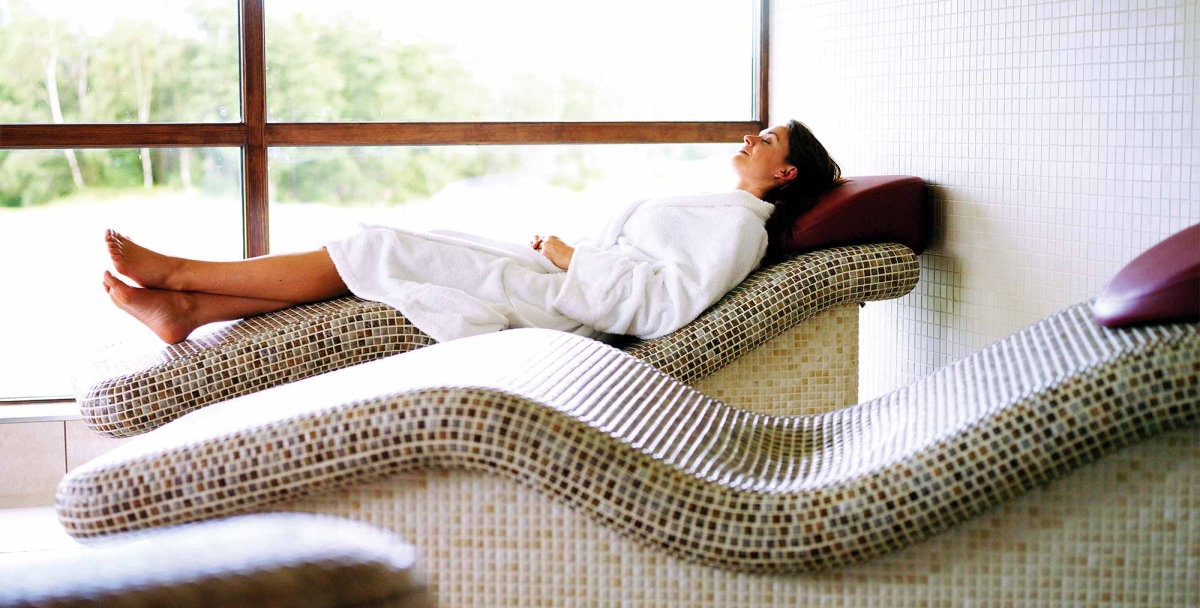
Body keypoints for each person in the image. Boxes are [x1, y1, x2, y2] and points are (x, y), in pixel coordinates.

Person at [103, 121, 843, 345]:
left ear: (785, 174)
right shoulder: (724, 210)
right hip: (563, 282)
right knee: (390, 247)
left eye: (769, 138)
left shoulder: (741, 232)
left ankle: (180, 277)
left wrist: (571, 256)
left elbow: (660, 307)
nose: (753, 136)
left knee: (379, 249)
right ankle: (191, 310)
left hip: (569, 304)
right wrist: (567, 256)